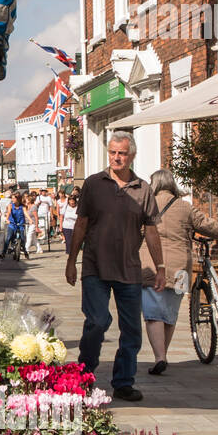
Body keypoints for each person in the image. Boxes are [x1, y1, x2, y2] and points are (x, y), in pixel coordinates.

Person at [65, 130, 167, 402]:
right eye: (112, 152)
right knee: (97, 321)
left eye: (122, 153)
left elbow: (152, 231)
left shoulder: (143, 189)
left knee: (132, 330)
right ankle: (85, 373)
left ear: (131, 155)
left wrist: (160, 266)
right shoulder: (93, 184)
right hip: (95, 267)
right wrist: (71, 261)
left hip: (130, 269)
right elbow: (82, 224)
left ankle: (123, 381)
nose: (116, 157)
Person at [139, 169, 218, 375]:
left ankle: (160, 356)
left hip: (151, 264)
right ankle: (163, 354)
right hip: (181, 267)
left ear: (154, 185)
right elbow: (206, 224)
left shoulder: (145, 206)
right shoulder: (184, 207)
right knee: (170, 313)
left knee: (152, 314)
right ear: (172, 184)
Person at [1, 193, 28, 261]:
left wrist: (30, 220)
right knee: (8, 238)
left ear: (18, 199)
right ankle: (3, 253)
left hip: (20, 224)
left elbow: (25, 213)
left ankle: (25, 252)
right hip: (12, 224)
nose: (12, 199)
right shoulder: (10, 205)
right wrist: (7, 219)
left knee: (22, 239)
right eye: (12, 198)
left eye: (13, 198)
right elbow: (9, 213)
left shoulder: (23, 206)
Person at [62, 187, 80, 253]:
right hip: (66, 227)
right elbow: (62, 216)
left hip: (75, 227)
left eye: (73, 201)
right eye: (70, 201)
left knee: (75, 243)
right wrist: (61, 226)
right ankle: (70, 256)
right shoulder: (66, 206)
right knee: (69, 242)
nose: (72, 202)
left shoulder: (78, 207)